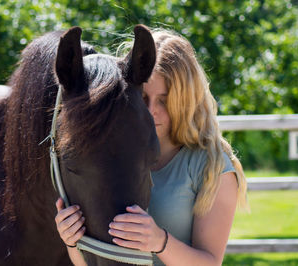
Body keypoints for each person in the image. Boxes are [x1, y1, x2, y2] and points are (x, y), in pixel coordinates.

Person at [55, 29, 248, 266]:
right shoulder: (113, 160)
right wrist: (72, 242)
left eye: (164, 101)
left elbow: (210, 263)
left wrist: (159, 242)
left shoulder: (211, 168)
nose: (151, 110)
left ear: (185, 101)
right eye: (143, 98)